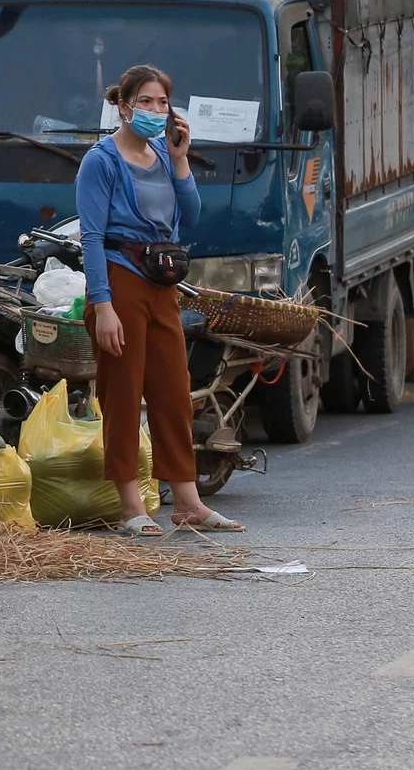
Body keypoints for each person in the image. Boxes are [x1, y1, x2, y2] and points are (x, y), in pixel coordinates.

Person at [77, 65, 242, 536]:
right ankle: (131, 506)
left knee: (173, 391)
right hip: (120, 278)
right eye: (145, 102)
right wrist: (103, 305)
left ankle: (188, 502)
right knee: (123, 393)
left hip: (162, 283)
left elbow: (190, 217)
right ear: (123, 105)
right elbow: (90, 237)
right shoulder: (101, 161)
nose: (154, 110)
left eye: (162, 103)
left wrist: (182, 160)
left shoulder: (164, 155)